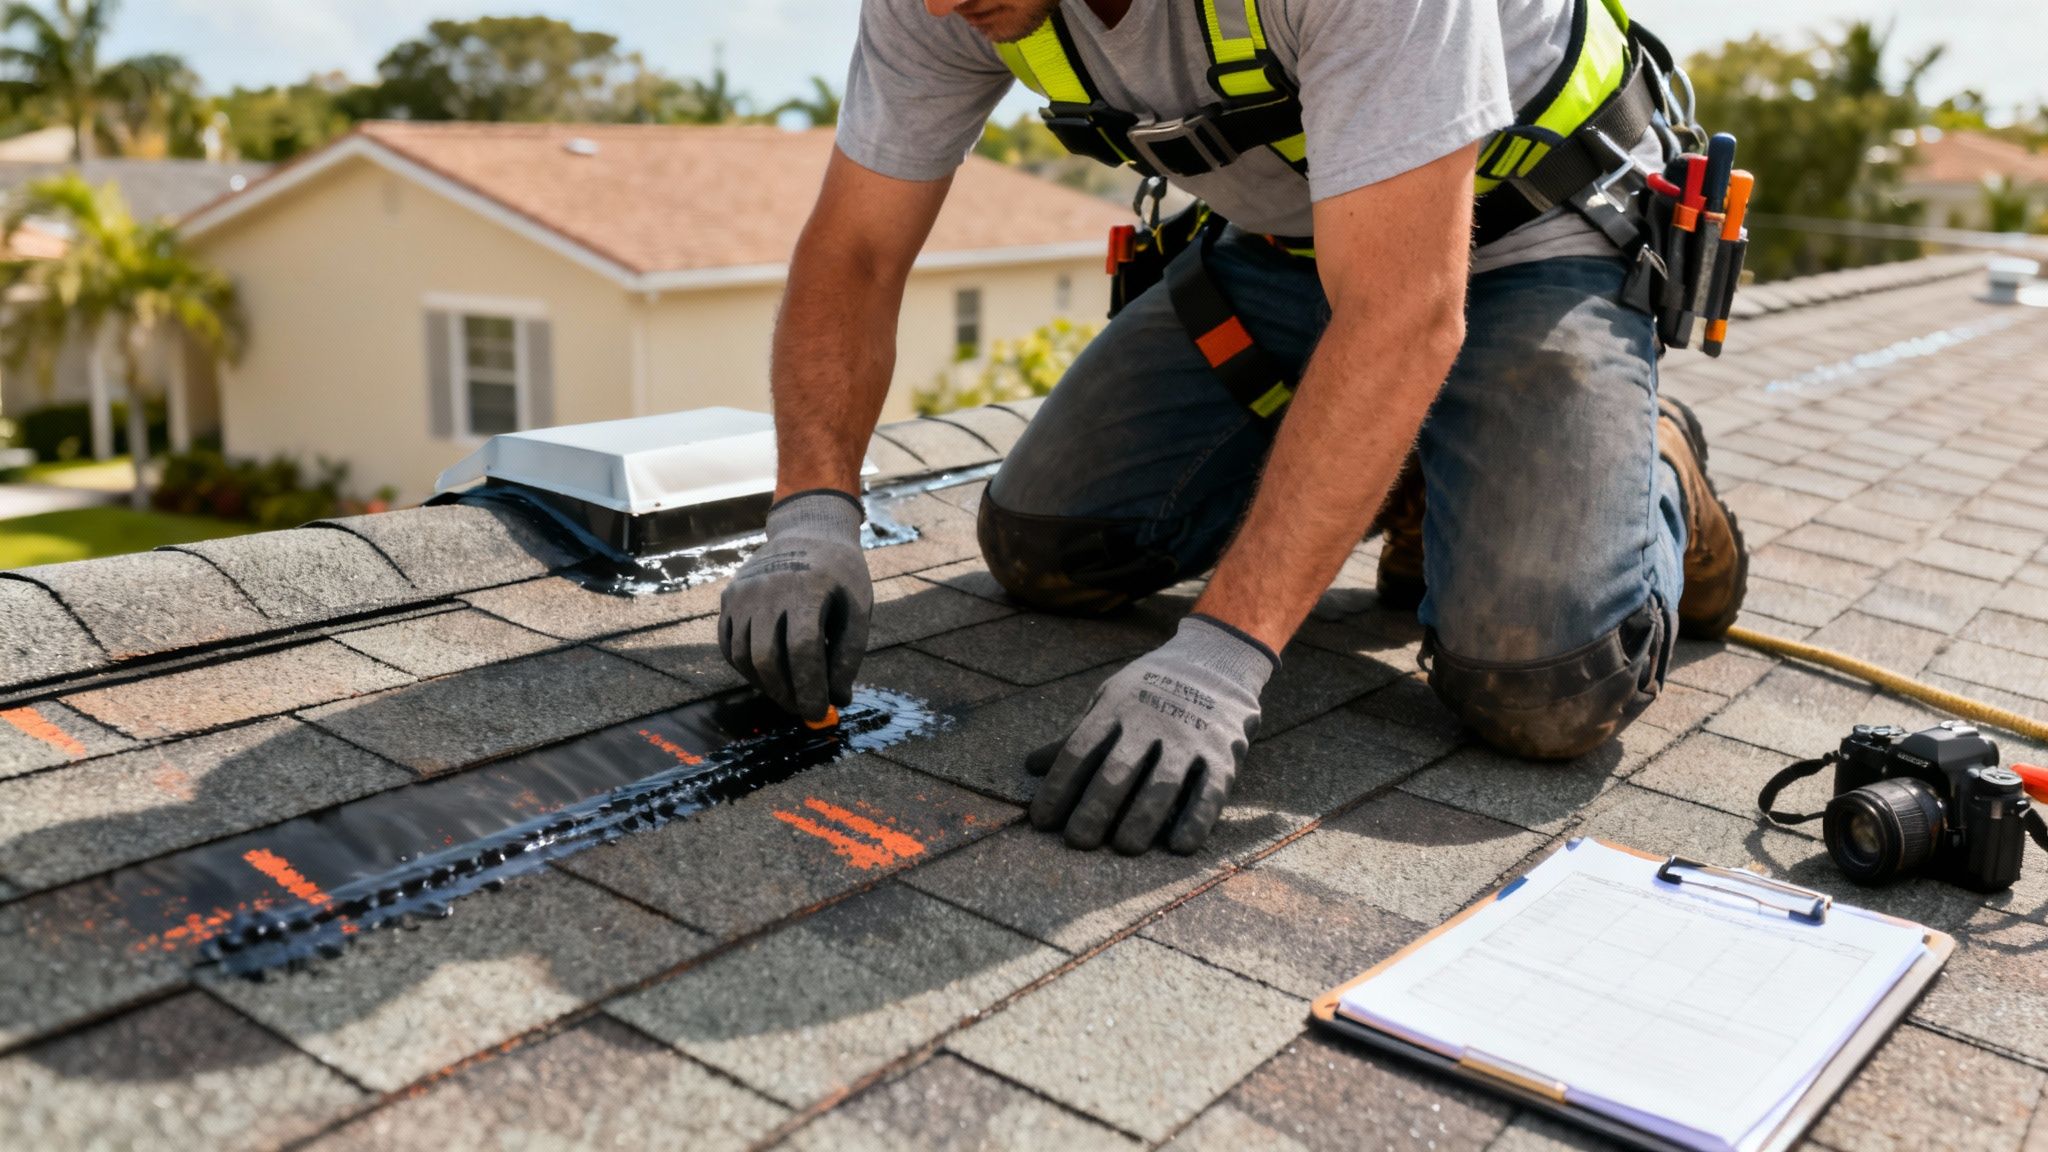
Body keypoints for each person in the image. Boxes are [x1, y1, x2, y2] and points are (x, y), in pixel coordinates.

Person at [718, 0, 1747, 858]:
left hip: (1534, 230)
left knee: (1542, 687)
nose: (940, 3)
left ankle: (1653, 464)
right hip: (1284, 249)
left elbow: (1401, 312)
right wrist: (810, 514)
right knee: (1050, 545)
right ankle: (1407, 460)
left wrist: (1218, 658)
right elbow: (855, 252)